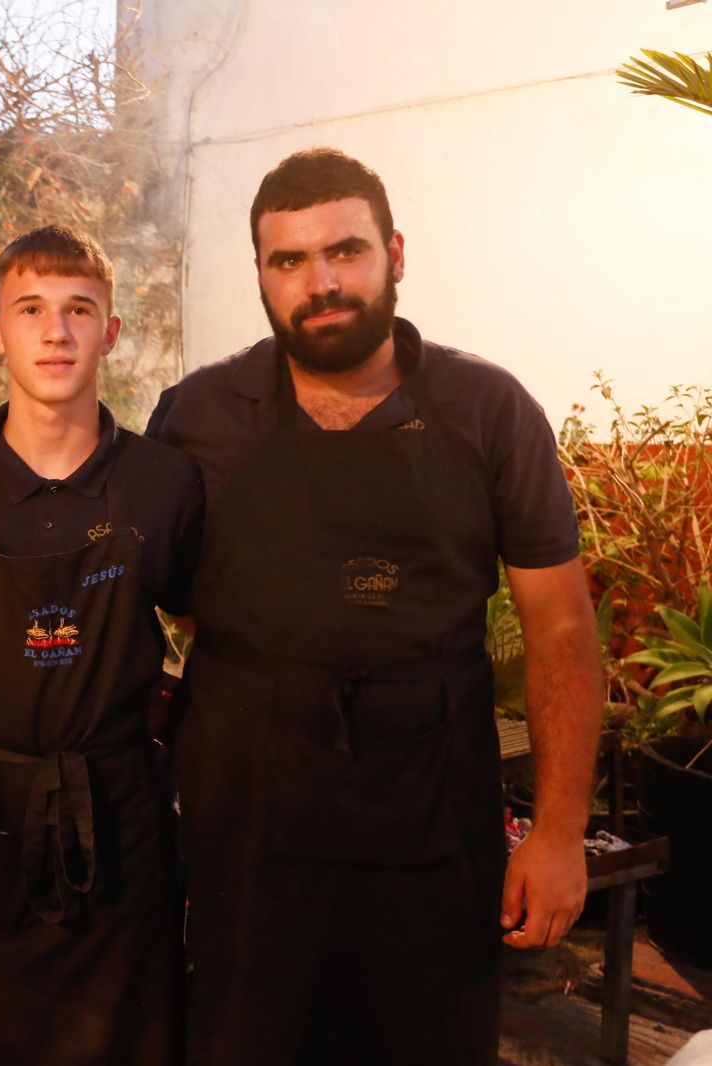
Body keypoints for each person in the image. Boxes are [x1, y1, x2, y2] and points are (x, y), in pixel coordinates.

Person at [145, 148, 602, 1064]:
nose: (322, 283)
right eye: (289, 262)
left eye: (345, 251)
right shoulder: (198, 415)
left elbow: (560, 629)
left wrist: (557, 835)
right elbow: (162, 595)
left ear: (395, 252)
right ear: (263, 279)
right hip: (251, 821)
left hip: (429, 813)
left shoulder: (489, 410)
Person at [0, 226, 204, 1065]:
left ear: (112, 330)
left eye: (80, 310)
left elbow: (198, 629)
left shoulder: (163, 481)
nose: (56, 331)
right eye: (30, 309)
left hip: (122, 814)